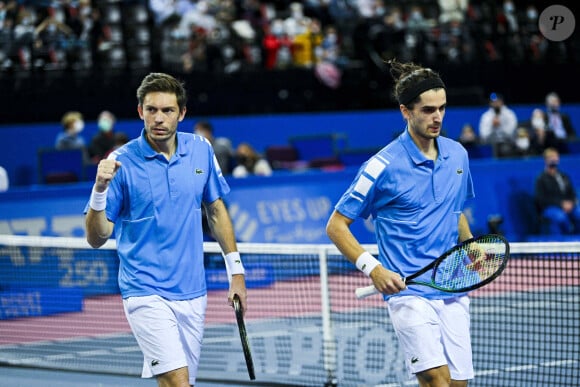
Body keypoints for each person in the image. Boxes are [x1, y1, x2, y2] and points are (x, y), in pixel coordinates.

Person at [84, 72, 248, 387]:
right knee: (178, 383)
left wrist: (236, 272)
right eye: (151, 110)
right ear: (140, 112)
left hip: (193, 291)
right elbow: (96, 237)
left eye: (168, 110)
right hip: (145, 290)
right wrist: (100, 190)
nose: (159, 118)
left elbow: (215, 209)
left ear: (182, 113)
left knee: (182, 383)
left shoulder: (201, 149)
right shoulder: (120, 162)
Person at [326, 59, 476, 387]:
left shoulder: (458, 155)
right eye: (427, 110)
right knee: (437, 380)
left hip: (452, 289)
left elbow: (455, 212)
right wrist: (374, 269)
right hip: (409, 294)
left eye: (442, 108)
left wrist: (470, 248)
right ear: (405, 111)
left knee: (457, 384)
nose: (437, 117)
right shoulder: (380, 166)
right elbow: (336, 225)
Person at [534, 147, 580, 235]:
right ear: (546, 160)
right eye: (551, 157)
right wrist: (561, 204)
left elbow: (572, 193)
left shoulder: (564, 176)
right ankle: (565, 240)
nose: (554, 159)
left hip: (569, 206)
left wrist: (571, 203)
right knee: (560, 217)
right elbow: (541, 199)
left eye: (556, 157)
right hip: (550, 207)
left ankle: (576, 239)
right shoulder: (541, 179)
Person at [477, 92, 518, 158]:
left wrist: (500, 125)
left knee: (505, 149)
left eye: (497, 101)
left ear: (501, 102)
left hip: (507, 143)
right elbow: (483, 135)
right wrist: (493, 126)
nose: (495, 104)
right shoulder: (486, 116)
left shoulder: (509, 114)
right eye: (493, 102)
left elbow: (511, 133)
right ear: (490, 103)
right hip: (490, 144)